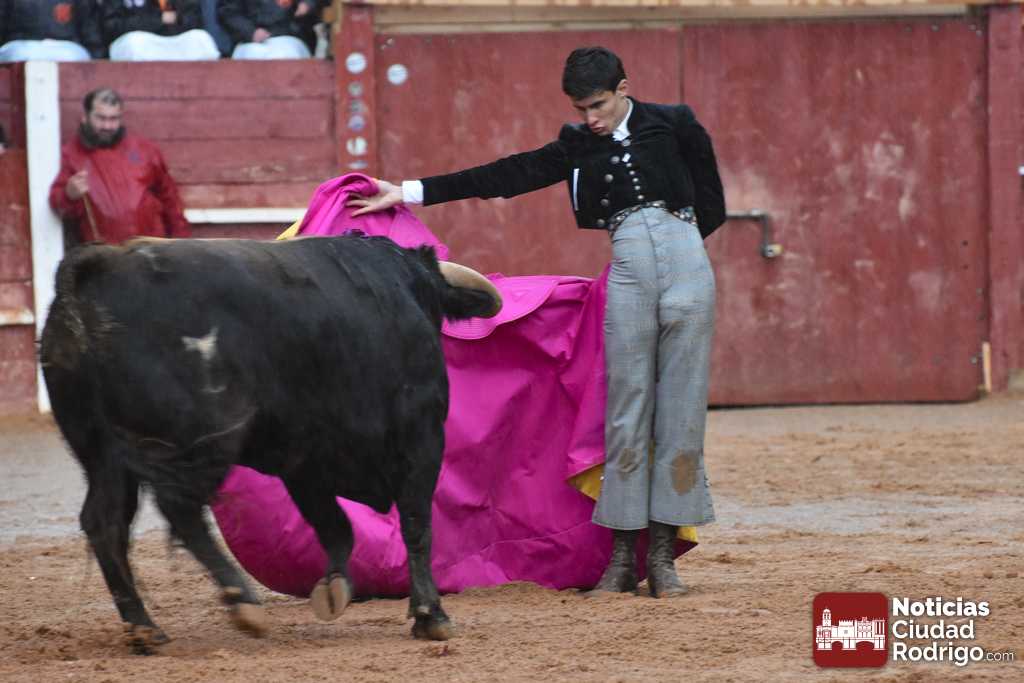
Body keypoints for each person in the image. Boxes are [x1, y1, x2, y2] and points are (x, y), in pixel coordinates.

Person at [348, 47, 726, 598]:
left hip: (689, 269)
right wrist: (408, 191)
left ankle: (664, 558)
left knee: (681, 413)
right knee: (624, 410)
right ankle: (624, 556)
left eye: (598, 105)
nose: (591, 118)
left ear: (623, 88)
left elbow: (712, 202)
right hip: (628, 272)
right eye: (581, 109)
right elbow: (510, 174)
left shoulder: (676, 124)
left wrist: (676, 245)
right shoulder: (579, 144)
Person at [49, 87, 191, 246]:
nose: (107, 126)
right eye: (101, 118)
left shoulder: (145, 150)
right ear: (85, 117)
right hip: (103, 253)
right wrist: (69, 194)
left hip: (150, 250)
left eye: (113, 119)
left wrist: (181, 242)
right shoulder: (71, 154)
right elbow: (57, 204)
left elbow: (170, 200)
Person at [100, 0, 220, 61]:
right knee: (134, 44)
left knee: (201, 39)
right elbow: (112, 26)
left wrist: (178, 18)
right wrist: (159, 20)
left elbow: (193, 19)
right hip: (141, 43)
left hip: (175, 42)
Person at [217, 0, 327, 60]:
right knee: (252, 56)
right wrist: (251, 32)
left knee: (285, 56)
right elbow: (228, 12)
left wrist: (308, 3)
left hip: (290, 39)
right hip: (249, 43)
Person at [0, 0, 103, 62]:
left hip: (67, 47)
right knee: (20, 54)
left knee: (74, 57)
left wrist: (98, 59)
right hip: (20, 46)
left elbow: (90, 29)